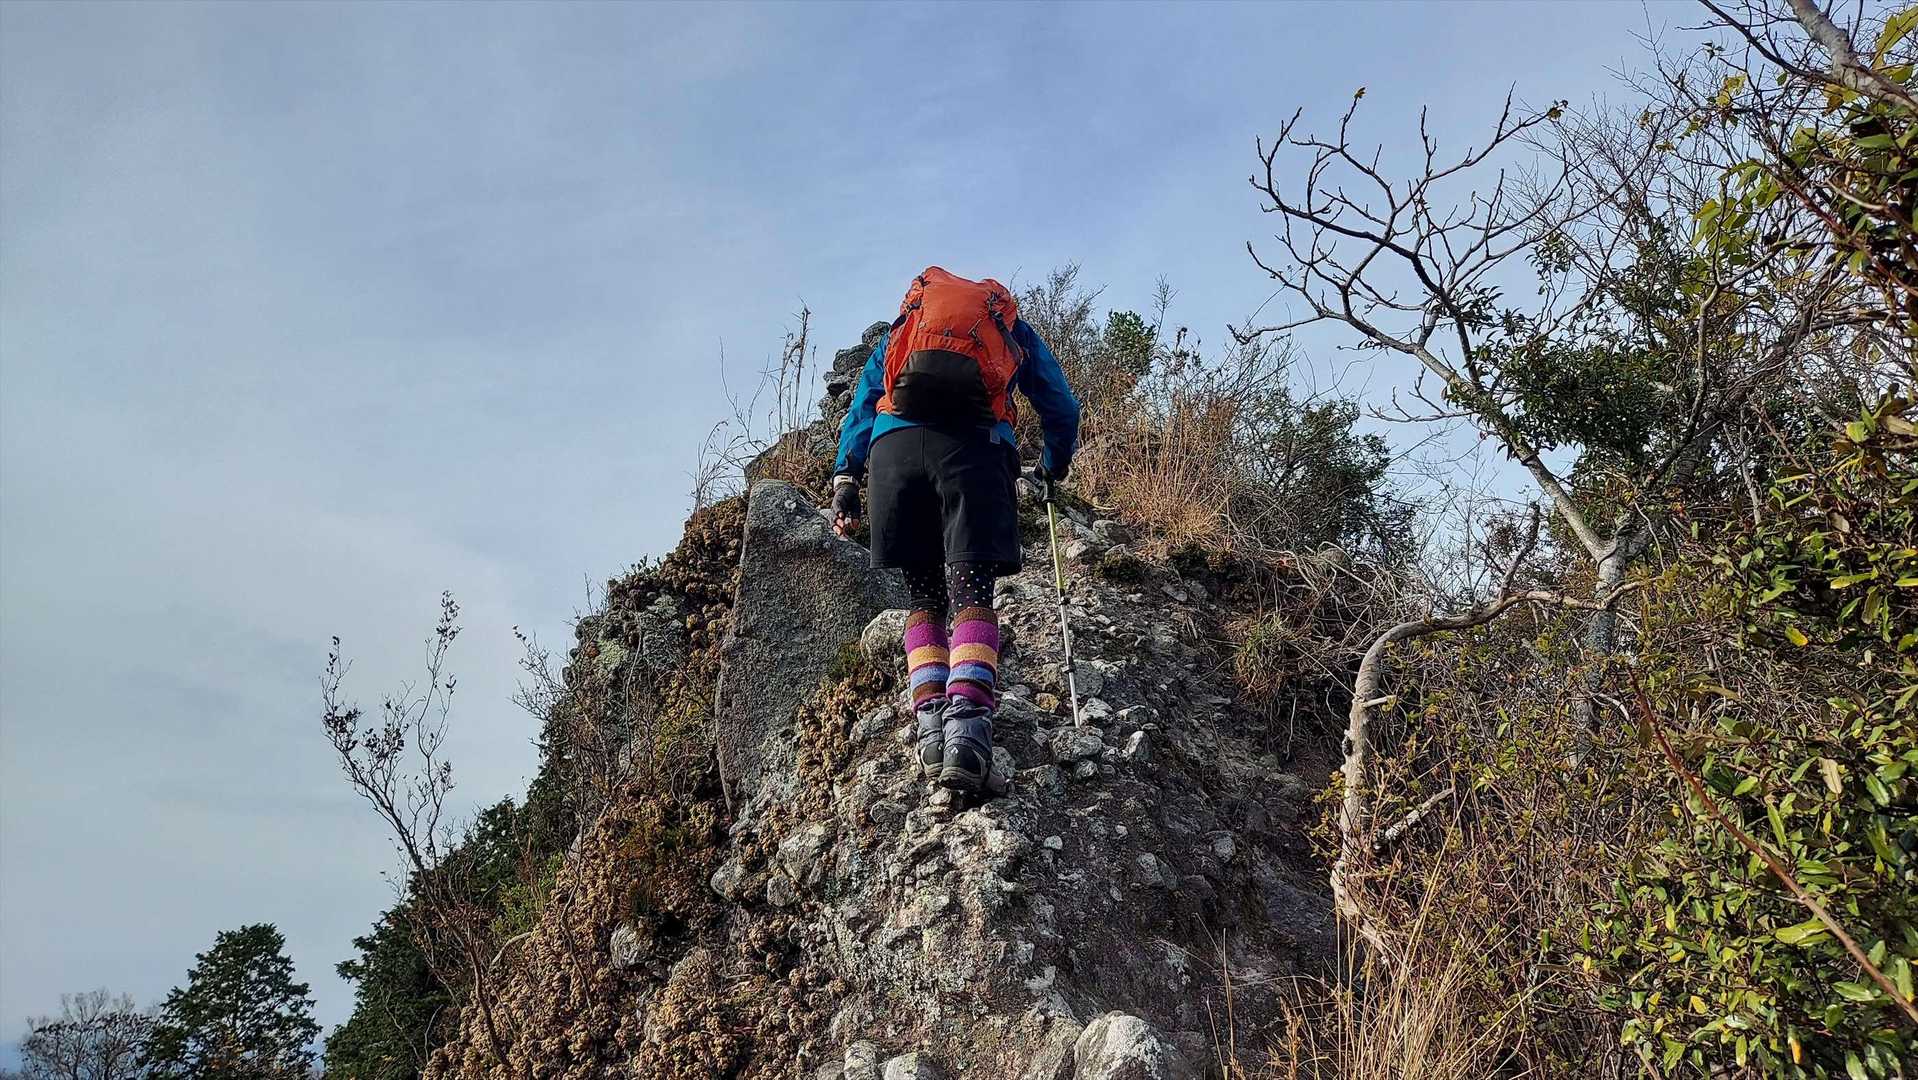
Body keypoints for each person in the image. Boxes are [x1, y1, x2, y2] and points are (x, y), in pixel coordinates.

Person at [829, 267, 1081, 794]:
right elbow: (1061, 405)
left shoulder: (905, 327)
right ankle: (967, 738)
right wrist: (1051, 466)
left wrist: (846, 477)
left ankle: (930, 732)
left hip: (894, 456)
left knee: (924, 598)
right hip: (973, 451)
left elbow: (865, 398)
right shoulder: (1008, 328)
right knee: (972, 595)